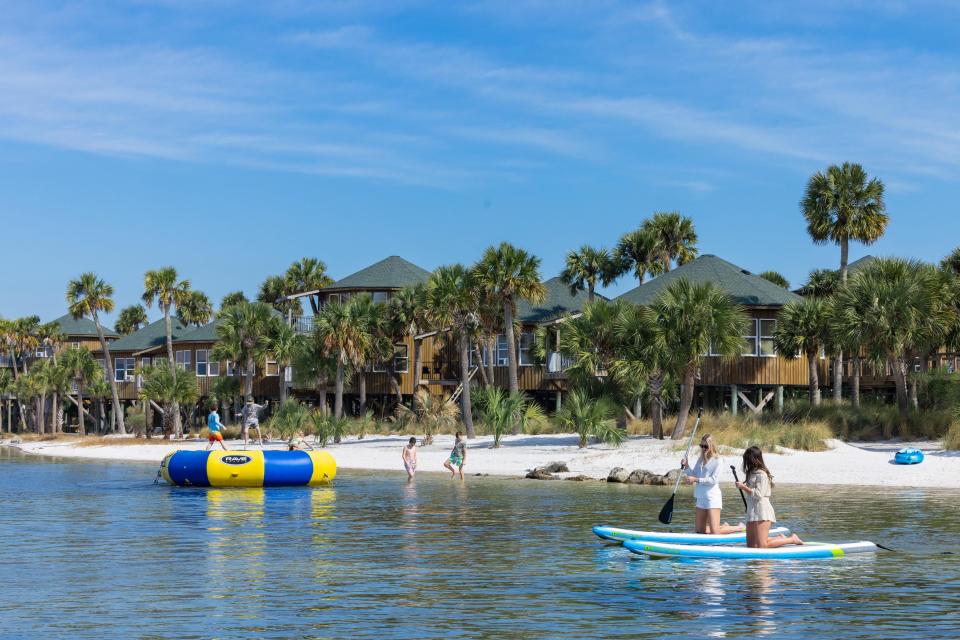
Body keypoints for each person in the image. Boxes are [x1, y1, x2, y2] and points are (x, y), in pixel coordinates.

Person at [734, 446, 803, 548]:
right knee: (751, 545)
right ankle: (780, 538)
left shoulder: (762, 474)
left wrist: (743, 487)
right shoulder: (751, 473)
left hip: (762, 510)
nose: (746, 462)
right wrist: (742, 485)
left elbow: (758, 494)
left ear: (754, 459)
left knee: (762, 545)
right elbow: (750, 492)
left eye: (748, 460)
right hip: (752, 510)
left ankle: (792, 539)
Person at [681, 434, 744, 535]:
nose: (703, 448)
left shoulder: (718, 460)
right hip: (700, 497)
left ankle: (739, 528)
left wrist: (696, 479)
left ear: (712, 446)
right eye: (701, 446)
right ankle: (724, 527)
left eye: (706, 446)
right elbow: (694, 475)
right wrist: (687, 466)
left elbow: (713, 480)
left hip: (712, 498)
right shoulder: (700, 459)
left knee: (715, 533)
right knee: (699, 531)